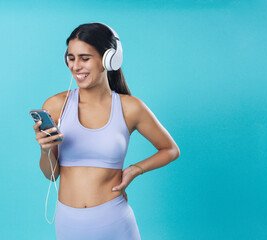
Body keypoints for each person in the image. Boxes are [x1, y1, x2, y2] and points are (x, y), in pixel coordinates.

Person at [32, 22, 180, 240]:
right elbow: (50, 176)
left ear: (109, 59)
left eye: (85, 58)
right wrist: (46, 150)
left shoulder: (131, 108)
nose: (76, 66)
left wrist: (135, 169)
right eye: (71, 58)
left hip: (115, 222)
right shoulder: (55, 106)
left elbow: (170, 149)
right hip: (68, 223)